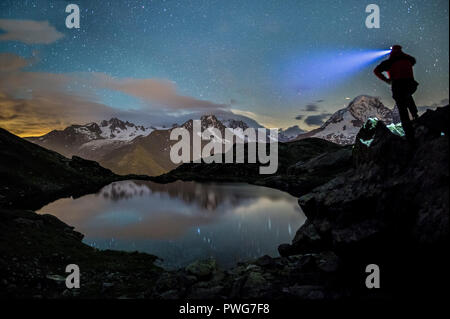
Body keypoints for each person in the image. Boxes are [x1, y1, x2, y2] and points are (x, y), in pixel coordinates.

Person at [374, 45, 419, 141]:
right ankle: (416, 116)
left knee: (402, 110)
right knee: (408, 97)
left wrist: (386, 80)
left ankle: (409, 135)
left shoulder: (390, 62)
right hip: (411, 85)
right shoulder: (408, 59)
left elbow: (376, 70)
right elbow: (413, 60)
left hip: (398, 86)